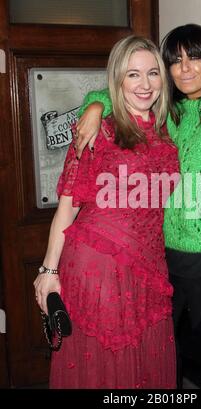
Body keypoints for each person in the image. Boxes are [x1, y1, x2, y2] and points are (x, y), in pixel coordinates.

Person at [74, 24, 201, 389]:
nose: (185, 69)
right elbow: (124, 93)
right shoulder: (169, 113)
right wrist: (96, 105)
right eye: (175, 62)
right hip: (162, 256)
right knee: (164, 351)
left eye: (194, 58)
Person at [33, 35, 179, 389]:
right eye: (133, 75)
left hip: (149, 269)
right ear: (116, 81)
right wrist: (48, 270)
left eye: (153, 73)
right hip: (98, 270)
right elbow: (68, 204)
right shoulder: (99, 131)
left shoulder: (166, 131)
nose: (145, 84)